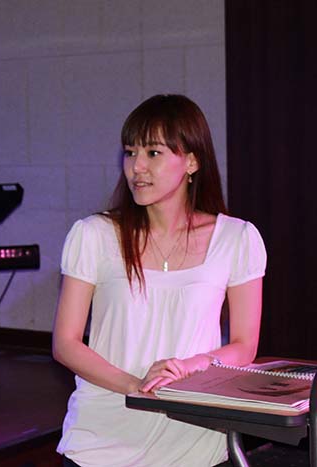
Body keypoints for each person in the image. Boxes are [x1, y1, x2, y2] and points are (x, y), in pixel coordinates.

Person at [52, 94, 266, 467]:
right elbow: (65, 343)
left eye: (153, 153)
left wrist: (189, 367)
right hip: (102, 440)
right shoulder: (93, 234)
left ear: (192, 162)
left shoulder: (237, 238)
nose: (137, 167)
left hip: (194, 438)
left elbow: (244, 346)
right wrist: (135, 386)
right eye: (130, 152)